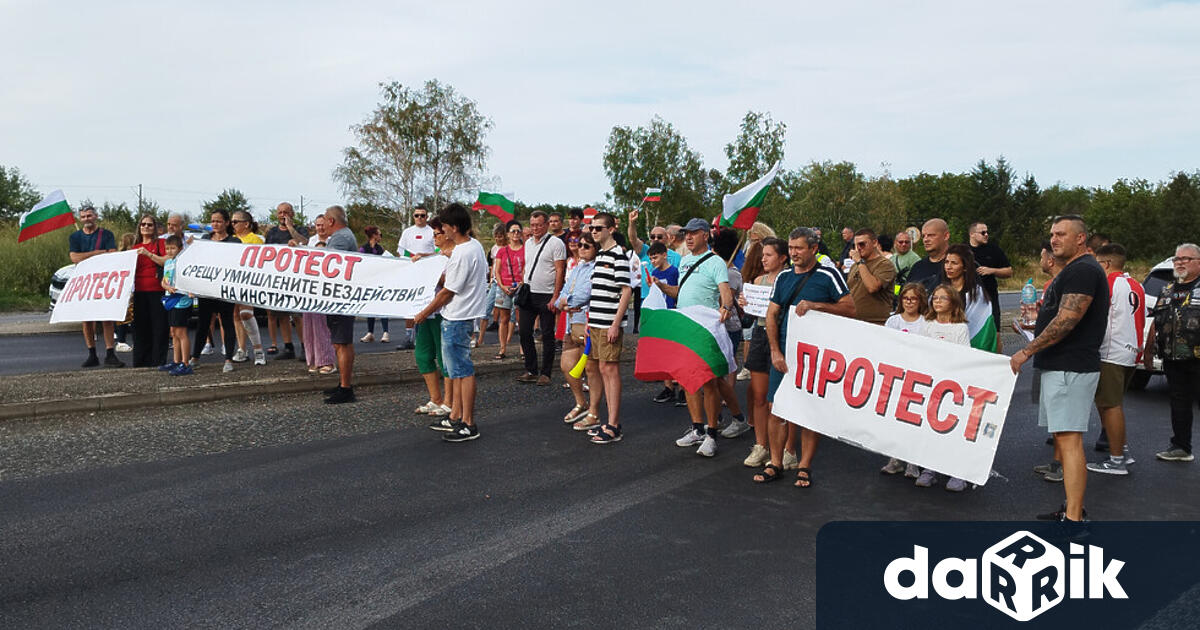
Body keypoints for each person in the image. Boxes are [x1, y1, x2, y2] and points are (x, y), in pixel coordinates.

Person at [1010, 215, 1109, 522]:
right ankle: (1071, 507)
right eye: (1052, 234)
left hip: (1071, 367)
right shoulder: (1075, 270)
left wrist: (1026, 350)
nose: (1054, 240)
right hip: (1063, 366)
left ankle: (1075, 519)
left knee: (1069, 441)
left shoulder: (1082, 270)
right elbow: (1060, 315)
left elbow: (1067, 320)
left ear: (1080, 238)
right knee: (1065, 440)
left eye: (1061, 234)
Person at [756, 227, 854, 486]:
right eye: (790, 248)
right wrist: (776, 350)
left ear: (813, 249)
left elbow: (850, 308)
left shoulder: (828, 274)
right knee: (775, 407)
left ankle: (804, 466)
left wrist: (817, 305)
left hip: (816, 355)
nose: (794, 253)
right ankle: (776, 462)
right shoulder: (784, 276)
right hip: (786, 352)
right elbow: (772, 314)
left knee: (810, 411)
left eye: (799, 248)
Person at [656, 218, 734, 457]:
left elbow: (725, 293)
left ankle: (712, 433)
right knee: (687, 379)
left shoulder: (716, 262)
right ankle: (697, 428)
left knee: (709, 382)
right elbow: (681, 291)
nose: (688, 237)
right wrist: (660, 286)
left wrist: (726, 308)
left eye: (693, 233)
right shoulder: (685, 261)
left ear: (705, 235)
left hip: (705, 328)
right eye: (686, 233)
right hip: (685, 326)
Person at [414, 204, 490, 442]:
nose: (442, 230)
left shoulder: (462, 253)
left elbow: (448, 292)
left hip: (457, 316)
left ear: (454, 227)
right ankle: (456, 415)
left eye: (444, 226)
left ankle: (468, 423)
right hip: (460, 315)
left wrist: (423, 313)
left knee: (463, 372)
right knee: (456, 372)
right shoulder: (473, 246)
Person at [1083, 243, 1145, 475]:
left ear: (1106, 264)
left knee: (1110, 405)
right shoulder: (1135, 284)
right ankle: (1122, 451)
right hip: (1130, 351)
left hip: (1111, 352)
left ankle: (1117, 459)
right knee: (1111, 404)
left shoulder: (1107, 283)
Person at [576, 213, 633, 444]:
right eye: (592, 228)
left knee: (610, 371)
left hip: (609, 323)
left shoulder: (618, 255)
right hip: (597, 322)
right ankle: (609, 422)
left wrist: (615, 324)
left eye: (598, 228)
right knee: (602, 369)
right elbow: (598, 292)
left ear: (611, 229)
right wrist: (590, 322)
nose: (594, 232)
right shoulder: (601, 255)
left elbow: (626, 291)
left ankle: (613, 424)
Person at [912, 284, 972, 491]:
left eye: (942, 298)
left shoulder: (960, 328)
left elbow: (965, 356)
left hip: (953, 384)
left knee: (953, 429)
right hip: (931, 384)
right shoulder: (927, 324)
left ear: (953, 302)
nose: (937, 301)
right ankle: (929, 469)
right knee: (930, 430)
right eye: (934, 298)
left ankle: (958, 473)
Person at [1145, 243, 1200, 463]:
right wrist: (1148, 352)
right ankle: (1180, 447)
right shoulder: (1167, 289)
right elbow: (1155, 322)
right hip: (1173, 357)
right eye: (1177, 259)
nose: (1180, 263)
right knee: (1179, 403)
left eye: (1186, 259)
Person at [739, 237, 787, 470]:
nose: (763, 259)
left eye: (769, 255)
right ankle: (761, 445)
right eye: (763, 255)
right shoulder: (758, 280)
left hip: (782, 337)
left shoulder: (788, 280)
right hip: (759, 335)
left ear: (782, 258)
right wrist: (745, 305)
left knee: (778, 400)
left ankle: (788, 449)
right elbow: (749, 319)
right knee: (759, 396)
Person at [880, 282, 929, 478]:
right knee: (895, 419)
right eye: (906, 298)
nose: (909, 302)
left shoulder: (925, 322)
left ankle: (913, 462)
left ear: (921, 301)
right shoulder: (893, 321)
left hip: (918, 377)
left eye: (913, 299)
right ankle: (895, 459)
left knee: (914, 419)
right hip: (897, 375)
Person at [68, 204, 123, 368]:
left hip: (103, 280)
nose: (87, 219)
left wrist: (91, 256)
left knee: (107, 318)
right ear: (80, 218)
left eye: (89, 216)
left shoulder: (106, 234)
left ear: (95, 216)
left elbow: (112, 254)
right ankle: (92, 353)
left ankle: (110, 353)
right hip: (85, 281)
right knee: (87, 320)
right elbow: (74, 257)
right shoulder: (75, 237)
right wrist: (97, 253)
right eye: (84, 216)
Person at [516, 210, 566, 386]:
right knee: (524, 332)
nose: (535, 228)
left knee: (546, 334)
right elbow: (527, 265)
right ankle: (531, 369)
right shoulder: (528, 243)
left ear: (546, 225)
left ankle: (546, 373)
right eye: (533, 225)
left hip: (547, 294)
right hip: (529, 293)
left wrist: (555, 296)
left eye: (539, 224)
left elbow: (560, 270)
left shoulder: (556, 243)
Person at [415, 225, 457, 423]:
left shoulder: (455, 255)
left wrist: (432, 272)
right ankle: (435, 398)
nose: (434, 238)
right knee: (422, 355)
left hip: (442, 312)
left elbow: (452, 283)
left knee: (444, 358)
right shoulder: (436, 256)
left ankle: (449, 401)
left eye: (437, 234)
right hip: (425, 312)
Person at [711, 229, 751, 439]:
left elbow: (724, 301)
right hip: (716, 326)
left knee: (721, 372)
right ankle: (715, 415)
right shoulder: (719, 269)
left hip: (729, 327)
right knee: (714, 374)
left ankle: (731, 416)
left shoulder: (732, 273)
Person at [191, 209, 241, 373]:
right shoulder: (205, 239)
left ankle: (228, 359)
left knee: (227, 323)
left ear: (226, 223)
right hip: (207, 288)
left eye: (218, 221)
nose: (215, 224)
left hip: (225, 289)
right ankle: (195, 357)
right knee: (203, 323)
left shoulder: (234, 242)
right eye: (212, 221)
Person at [321, 206, 360, 404]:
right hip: (342, 299)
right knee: (340, 342)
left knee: (342, 343)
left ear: (330, 221)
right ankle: (343, 383)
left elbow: (331, 266)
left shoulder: (340, 238)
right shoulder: (344, 236)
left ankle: (346, 388)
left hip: (341, 300)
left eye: (324, 220)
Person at [558, 232, 597, 426]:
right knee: (567, 366)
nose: (580, 248)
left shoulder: (597, 268)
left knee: (590, 369)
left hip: (587, 324)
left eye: (586, 245)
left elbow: (585, 294)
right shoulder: (577, 268)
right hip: (571, 324)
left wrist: (567, 301)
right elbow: (563, 293)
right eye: (579, 244)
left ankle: (594, 411)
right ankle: (581, 403)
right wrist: (564, 304)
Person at [626, 208, 681, 336]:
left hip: (668, 301)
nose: (655, 239)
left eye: (659, 237)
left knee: (667, 335)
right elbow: (633, 239)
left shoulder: (676, 257)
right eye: (652, 237)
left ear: (667, 238)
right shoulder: (645, 251)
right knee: (649, 333)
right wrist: (632, 223)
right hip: (647, 298)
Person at [264, 202, 307, 360]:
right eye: (280, 212)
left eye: (286, 212)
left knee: (297, 315)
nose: (283, 215)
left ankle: (305, 346)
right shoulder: (272, 233)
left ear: (292, 214)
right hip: (277, 279)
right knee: (281, 315)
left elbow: (305, 243)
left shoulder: (300, 229)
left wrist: (290, 229)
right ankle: (288, 347)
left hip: (295, 278)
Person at [130, 214, 168, 368]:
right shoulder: (134, 248)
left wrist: (149, 254)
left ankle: (158, 361)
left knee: (159, 328)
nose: (146, 227)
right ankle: (140, 362)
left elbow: (167, 260)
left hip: (157, 290)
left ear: (155, 228)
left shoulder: (160, 243)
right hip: (139, 291)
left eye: (149, 225)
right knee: (140, 329)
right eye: (143, 224)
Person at [646, 241, 682, 404]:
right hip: (660, 314)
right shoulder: (654, 272)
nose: (653, 261)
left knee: (677, 353)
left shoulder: (674, 272)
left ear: (664, 255)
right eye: (651, 259)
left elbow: (677, 291)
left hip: (673, 313)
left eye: (655, 257)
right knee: (664, 353)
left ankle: (682, 388)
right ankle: (668, 387)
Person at [967, 221, 1012, 350]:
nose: (986, 235)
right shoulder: (963, 250)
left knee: (995, 334)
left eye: (987, 232)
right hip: (968, 299)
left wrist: (992, 270)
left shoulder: (994, 250)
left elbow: (1009, 271)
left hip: (989, 299)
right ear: (972, 234)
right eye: (982, 232)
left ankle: (997, 364)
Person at [944, 244, 997, 352]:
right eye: (946, 262)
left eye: (954, 263)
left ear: (965, 267)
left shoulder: (976, 294)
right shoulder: (940, 290)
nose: (948, 267)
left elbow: (979, 326)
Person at [230, 210, 267, 366]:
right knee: (236, 315)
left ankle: (258, 350)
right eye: (231, 222)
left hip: (248, 281)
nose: (232, 225)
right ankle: (242, 349)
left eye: (235, 222)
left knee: (246, 314)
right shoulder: (231, 240)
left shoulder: (256, 240)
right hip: (232, 280)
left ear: (246, 224)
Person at [396, 206, 436, 349]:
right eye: (417, 215)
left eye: (422, 215)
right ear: (413, 216)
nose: (419, 218)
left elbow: (438, 251)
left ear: (427, 217)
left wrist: (423, 257)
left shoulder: (432, 232)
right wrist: (412, 258)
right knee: (410, 304)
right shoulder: (407, 232)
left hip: (428, 273)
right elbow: (401, 251)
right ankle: (408, 337)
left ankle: (422, 337)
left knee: (425, 304)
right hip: (412, 273)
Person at [158, 234, 194, 376]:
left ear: (180, 248)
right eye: (167, 248)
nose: (170, 251)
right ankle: (176, 360)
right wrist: (166, 287)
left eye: (173, 248)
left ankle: (186, 363)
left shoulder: (184, 262)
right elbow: (163, 281)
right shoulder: (168, 263)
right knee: (173, 332)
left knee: (181, 332)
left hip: (182, 301)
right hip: (170, 300)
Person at [846, 228, 897, 325]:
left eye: (862, 244)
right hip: (855, 322)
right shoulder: (854, 266)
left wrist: (860, 262)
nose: (858, 249)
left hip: (876, 323)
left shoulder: (885, 264)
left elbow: (872, 287)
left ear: (874, 243)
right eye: (855, 246)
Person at [301, 241, 337, 376]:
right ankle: (314, 359)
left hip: (324, 301)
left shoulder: (332, 269)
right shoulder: (309, 269)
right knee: (309, 331)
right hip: (309, 300)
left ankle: (327, 361)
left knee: (322, 330)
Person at [492, 220, 524, 360]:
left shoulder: (526, 249)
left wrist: (521, 283)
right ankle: (502, 348)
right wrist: (502, 286)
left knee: (521, 319)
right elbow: (497, 271)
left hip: (520, 287)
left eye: (518, 231)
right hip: (503, 287)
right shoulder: (502, 251)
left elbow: (527, 269)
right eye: (513, 231)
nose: (516, 234)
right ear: (508, 234)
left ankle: (523, 349)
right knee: (503, 319)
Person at [358, 225, 391, 344]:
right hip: (369, 281)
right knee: (370, 307)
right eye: (379, 234)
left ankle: (386, 332)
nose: (380, 237)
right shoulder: (363, 249)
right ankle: (370, 332)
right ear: (374, 235)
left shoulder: (380, 249)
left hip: (380, 281)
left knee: (382, 306)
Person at [908, 218, 951, 292]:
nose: (925, 240)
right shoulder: (917, 267)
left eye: (931, 235)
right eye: (923, 236)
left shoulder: (959, 265)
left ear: (946, 236)